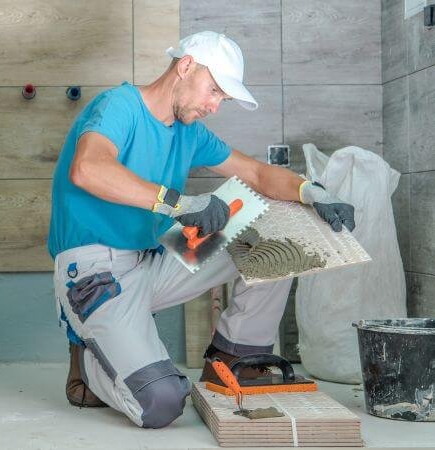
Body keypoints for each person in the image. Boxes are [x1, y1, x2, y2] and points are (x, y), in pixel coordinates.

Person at [49, 31, 355, 428]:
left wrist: (309, 192)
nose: (214, 106)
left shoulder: (188, 130)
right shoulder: (118, 106)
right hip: (94, 274)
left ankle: (233, 356)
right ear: (185, 66)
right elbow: (88, 169)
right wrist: (182, 204)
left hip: (152, 261)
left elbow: (256, 173)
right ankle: (88, 365)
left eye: (222, 99)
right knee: (161, 402)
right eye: (214, 91)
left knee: (270, 223)